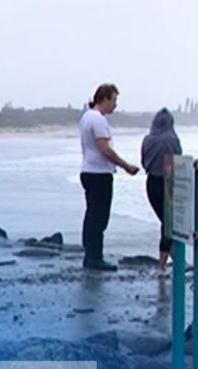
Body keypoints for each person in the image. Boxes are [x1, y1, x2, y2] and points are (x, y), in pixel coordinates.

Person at [79, 83, 139, 271]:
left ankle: (91, 254)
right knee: (99, 217)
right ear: (104, 99)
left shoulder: (86, 117)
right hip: (99, 174)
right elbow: (104, 148)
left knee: (92, 215)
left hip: (88, 170)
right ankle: (94, 257)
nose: (115, 105)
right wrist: (125, 165)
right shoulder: (98, 120)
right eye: (114, 100)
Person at [140, 108, 182, 270]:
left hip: (151, 183)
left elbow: (144, 162)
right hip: (168, 182)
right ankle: (164, 264)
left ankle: (171, 258)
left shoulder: (148, 139)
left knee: (166, 222)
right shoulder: (172, 140)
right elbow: (179, 161)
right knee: (169, 223)